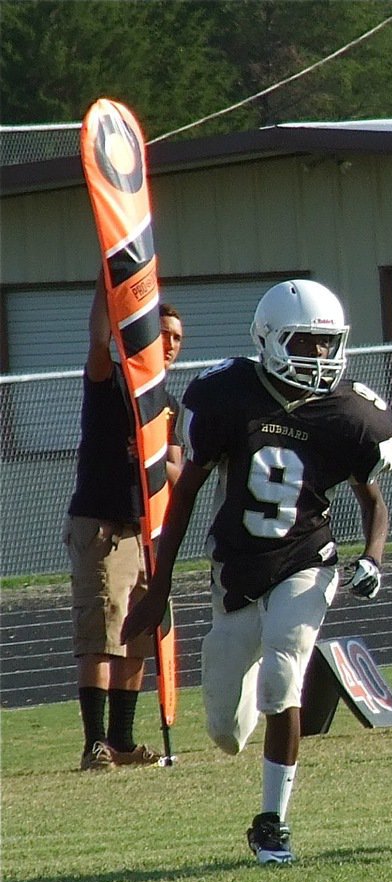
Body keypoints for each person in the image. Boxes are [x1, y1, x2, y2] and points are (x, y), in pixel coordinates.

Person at [123, 279, 392, 865]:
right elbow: (186, 495)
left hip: (307, 560)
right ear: (269, 339)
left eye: (328, 345)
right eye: (306, 342)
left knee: (284, 675)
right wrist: (160, 583)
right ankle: (249, 696)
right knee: (225, 732)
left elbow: (372, 500)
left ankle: (272, 823)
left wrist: (372, 556)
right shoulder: (227, 395)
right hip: (237, 569)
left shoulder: (349, 413)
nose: (320, 357)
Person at [68, 272, 185, 772]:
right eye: (165, 335)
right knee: (103, 631)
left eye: (179, 338)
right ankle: (94, 742)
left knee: (139, 631)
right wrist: (108, 278)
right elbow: (98, 339)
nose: (172, 345)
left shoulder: (167, 404)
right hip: (103, 524)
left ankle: (121, 739)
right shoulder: (109, 380)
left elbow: (180, 470)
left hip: (146, 531)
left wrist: (155, 459)